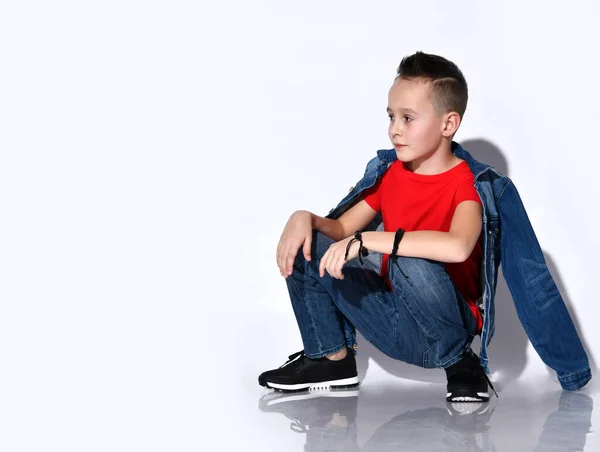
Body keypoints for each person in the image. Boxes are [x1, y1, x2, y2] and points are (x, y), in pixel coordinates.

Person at [258, 51, 591, 402]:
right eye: (391, 117)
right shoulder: (390, 176)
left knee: (409, 258)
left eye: (408, 118)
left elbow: (459, 245)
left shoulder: (471, 186)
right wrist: (303, 219)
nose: (395, 129)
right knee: (305, 243)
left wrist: (370, 239)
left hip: (445, 328)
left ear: (448, 125)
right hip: (390, 322)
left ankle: (462, 364)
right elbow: (340, 231)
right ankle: (331, 359)